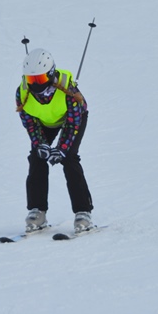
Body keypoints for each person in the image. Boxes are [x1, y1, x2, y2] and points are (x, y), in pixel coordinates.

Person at [15, 48, 94, 234]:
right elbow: (29, 122)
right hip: (44, 123)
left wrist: (62, 148)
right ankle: (37, 211)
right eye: (31, 79)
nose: (36, 84)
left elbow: (73, 123)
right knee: (37, 157)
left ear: (50, 74)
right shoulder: (22, 92)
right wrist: (40, 144)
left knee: (69, 158)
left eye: (40, 79)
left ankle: (83, 212)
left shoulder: (68, 90)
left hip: (72, 120)